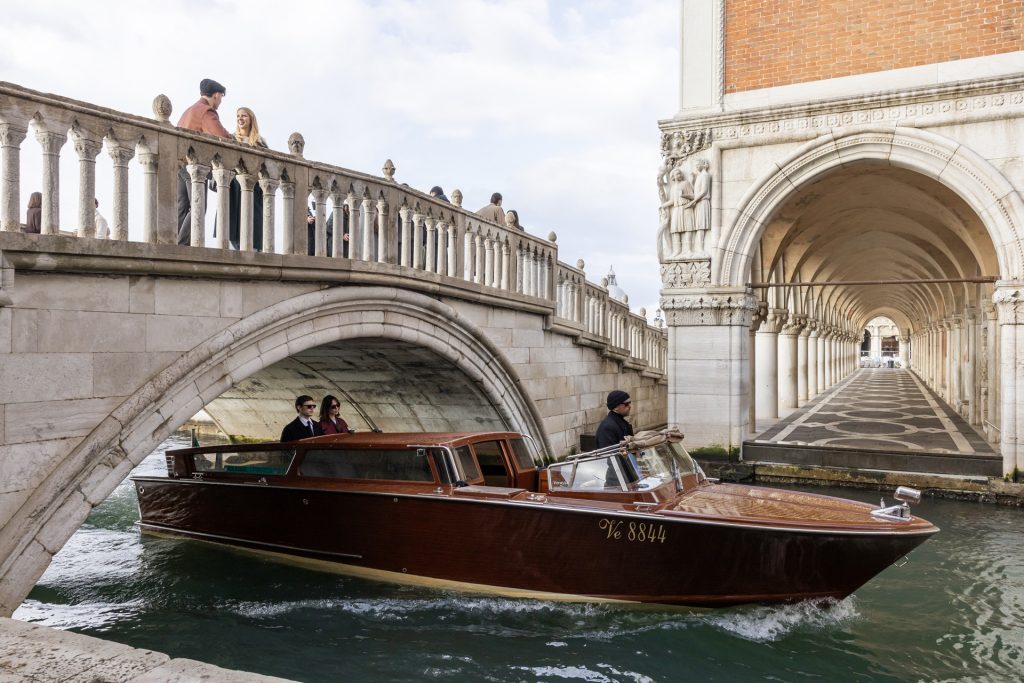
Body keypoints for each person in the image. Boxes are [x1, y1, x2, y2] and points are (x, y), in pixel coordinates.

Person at [176, 78, 231, 246]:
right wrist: (234, 138)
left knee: (182, 207)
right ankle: (182, 246)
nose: (220, 101)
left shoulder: (188, 111)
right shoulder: (206, 111)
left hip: (179, 163)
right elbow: (220, 135)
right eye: (221, 97)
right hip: (193, 165)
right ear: (215, 95)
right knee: (199, 207)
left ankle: (175, 244)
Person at [225, 107, 267, 251]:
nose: (240, 118)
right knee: (232, 225)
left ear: (251, 119)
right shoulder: (230, 138)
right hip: (233, 187)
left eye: (244, 116)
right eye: (238, 116)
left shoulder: (260, 142)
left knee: (253, 224)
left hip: (253, 188)